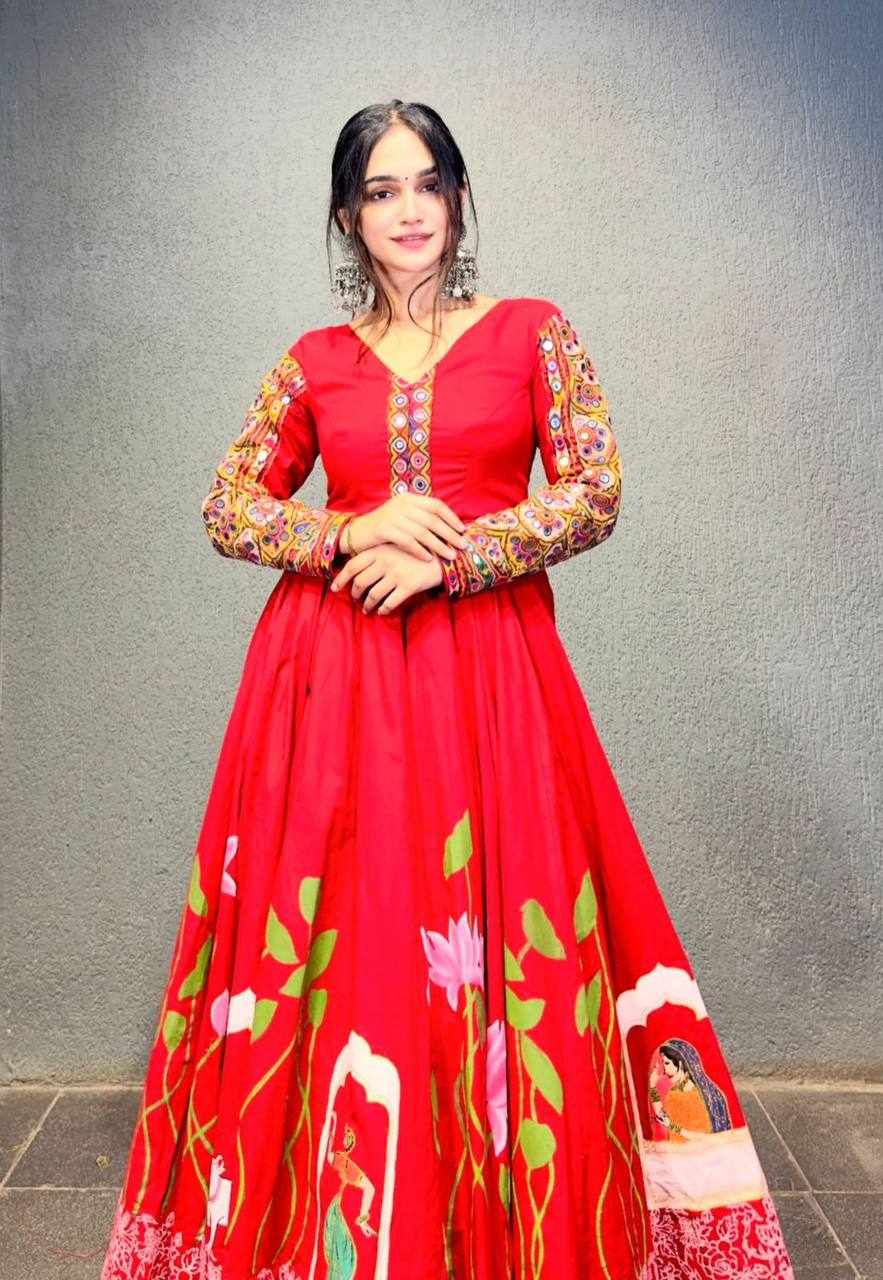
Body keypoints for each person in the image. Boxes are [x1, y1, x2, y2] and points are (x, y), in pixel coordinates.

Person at [100, 100, 795, 1280]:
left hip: (493, 683)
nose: (408, 209)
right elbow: (227, 504)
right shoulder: (313, 362)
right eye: (380, 191)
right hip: (336, 691)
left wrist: (452, 555)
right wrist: (349, 529)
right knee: (356, 938)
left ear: (458, 198)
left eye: (427, 183)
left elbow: (594, 491)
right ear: (347, 216)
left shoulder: (532, 333)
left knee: (506, 930)